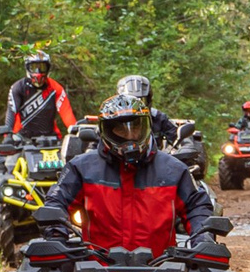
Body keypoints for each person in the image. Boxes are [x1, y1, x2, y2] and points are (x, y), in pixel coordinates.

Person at [41, 91, 218, 257]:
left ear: (147, 126)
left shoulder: (174, 170)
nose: (130, 136)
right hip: (96, 268)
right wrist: (57, 236)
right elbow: (56, 202)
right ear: (106, 131)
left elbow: (197, 207)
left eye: (136, 127)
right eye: (121, 130)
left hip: (162, 268)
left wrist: (203, 240)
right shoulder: (81, 168)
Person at [7, 51, 75, 142]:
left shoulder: (55, 88)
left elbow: (66, 113)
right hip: (22, 138)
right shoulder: (18, 87)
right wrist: (7, 136)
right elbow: (11, 112)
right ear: (27, 68)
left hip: (51, 138)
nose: (38, 72)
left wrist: (76, 131)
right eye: (34, 67)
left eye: (42, 67)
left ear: (48, 68)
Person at [114, 73, 181, 148]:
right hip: (119, 154)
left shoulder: (158, 117)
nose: (135, 106)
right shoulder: (111, 119)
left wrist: (186, 147)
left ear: (148, 100)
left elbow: (178, 137)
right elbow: (103, 141)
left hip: (154, 154)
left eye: (141, 101)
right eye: (129, 101)